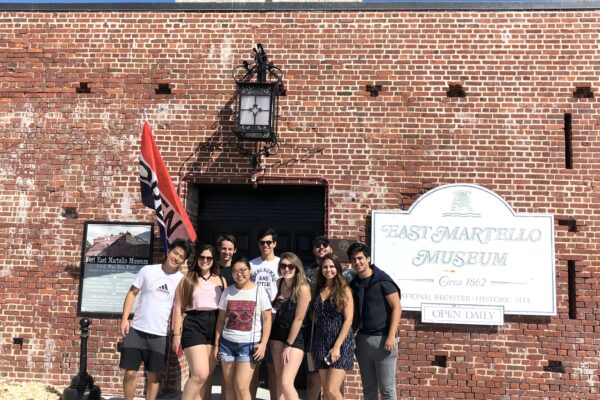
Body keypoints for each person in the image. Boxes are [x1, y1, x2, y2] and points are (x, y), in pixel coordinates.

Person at [119, 239, 190, 400]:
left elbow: (179, 309)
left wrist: (177, 334)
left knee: (153, 376)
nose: (176, 257)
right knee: (130, 373)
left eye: (181, 256)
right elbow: (132, 293)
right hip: (137, 330)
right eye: (175, 253)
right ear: (168, 252)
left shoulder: (181, 280)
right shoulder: (147, 270)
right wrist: (124, 319)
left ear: (183, 261)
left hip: (160, 334)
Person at [347, 243, 402, 400]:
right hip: (363, 340)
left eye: (360, 258)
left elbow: (397, 308)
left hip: (384, 340)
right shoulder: (353, 284)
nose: (357, 262)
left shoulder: (383, 281)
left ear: (368, 258)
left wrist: (391, 336)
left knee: (387, 390)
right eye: (353, 259)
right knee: (369, 390)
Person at [214, 257, 272, 400]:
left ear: (250, 270)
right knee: (228, 385)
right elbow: (221, 320)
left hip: (248, 345)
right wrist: (217, 344)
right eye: (234, 271)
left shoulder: (260, 291)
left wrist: (263, 344)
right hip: (227, 344)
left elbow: (267, 319)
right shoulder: (227, 292)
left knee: (241, 386)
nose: (238, 274)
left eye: (242, 270)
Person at [171, 244, 224, 400]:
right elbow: (178, 308)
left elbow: (225, 309)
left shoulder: (221, 280)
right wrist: (176, 334)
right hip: (194, 324)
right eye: (202, 257)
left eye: (209, 258)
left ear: (214, 260)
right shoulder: (188, 279)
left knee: (206, 378)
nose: (205, 260)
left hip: (215, 326)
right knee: (200, 374)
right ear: (197, 258)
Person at [311, 253, 355, 400]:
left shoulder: (344, 289)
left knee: (332, 389)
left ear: (337, 268)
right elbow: (316, 316)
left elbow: (348, 320)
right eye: (325, 267)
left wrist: (337, 346)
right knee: (326, 392)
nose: (328, 270)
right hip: (321, 342)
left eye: (331, 266)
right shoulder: (318, 289)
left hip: (340, 342)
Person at [269, 252, 311, 400]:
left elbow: (299, 319)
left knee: (287, 383)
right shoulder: (279, 283)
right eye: (283, 266)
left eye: (290, 266)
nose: (286, 269)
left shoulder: (303, 288)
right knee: (279, 380)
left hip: (295, 337)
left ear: (297, 268)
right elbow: (276, 307)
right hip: (277, 334)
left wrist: (288, 344)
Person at [250, 228, 280, 399]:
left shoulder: (281, 263)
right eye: (262, 243)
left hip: (274, 316)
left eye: (269, 242)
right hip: (254, 316)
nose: (266, 245)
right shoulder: (252, 264)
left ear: (274, 243)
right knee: (253, 364)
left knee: (272, 365)